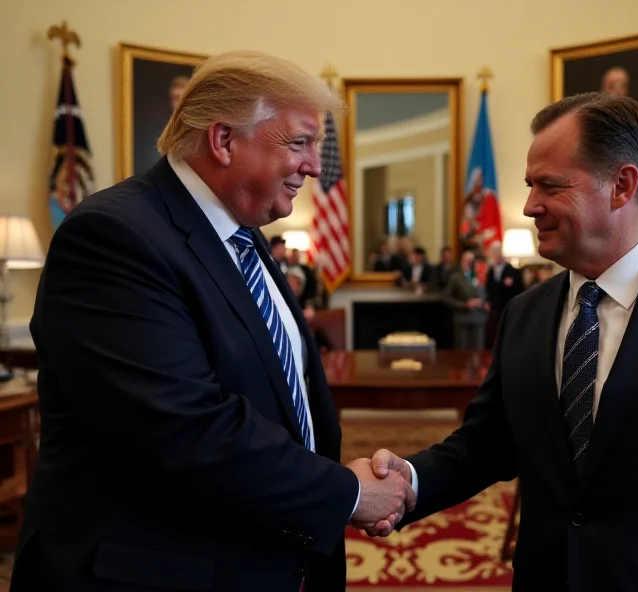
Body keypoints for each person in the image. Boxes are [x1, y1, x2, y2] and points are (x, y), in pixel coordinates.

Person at [357, 92, 638, 591]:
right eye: (529, 185)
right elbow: (489, 442)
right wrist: (409, 480)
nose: (528, 206)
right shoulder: (525, 312)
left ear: (621, 185)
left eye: (550, 185)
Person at [11, 50, 413, 592]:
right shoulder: (114, 237)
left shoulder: (243, 236)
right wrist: (349, 493)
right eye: (298, 143)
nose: (316, 167)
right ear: (224, 141)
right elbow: (185, 427)